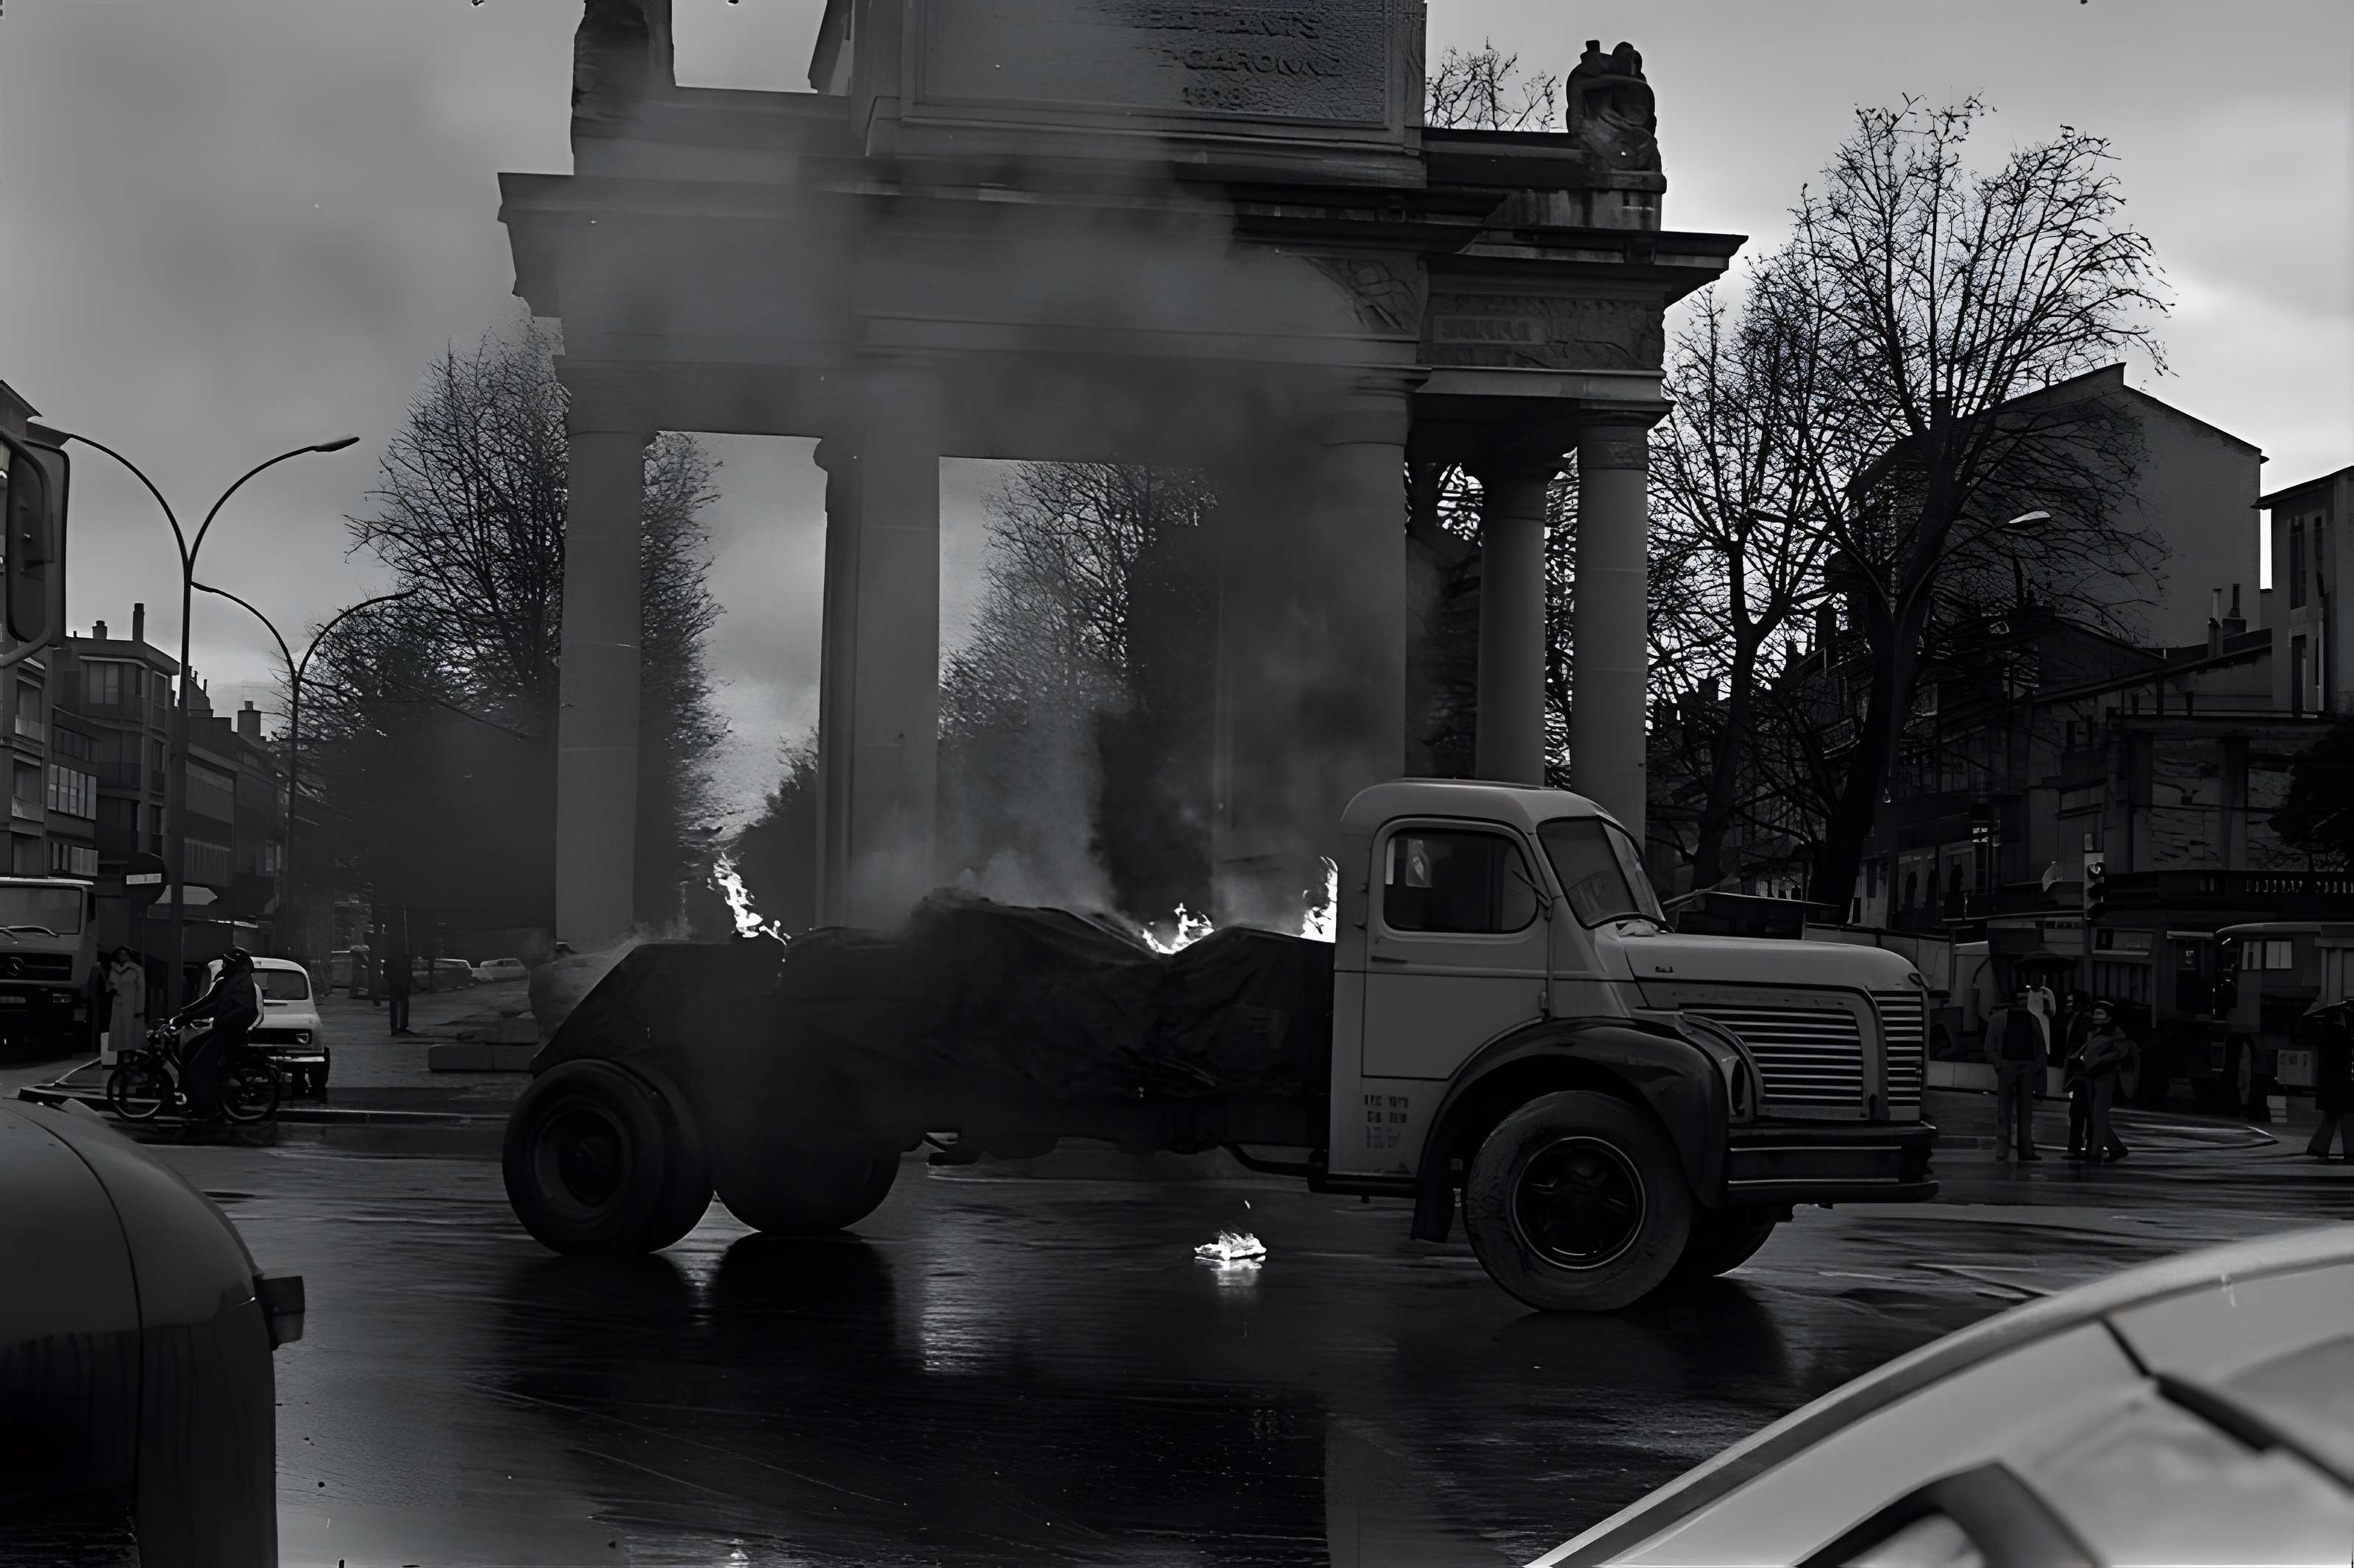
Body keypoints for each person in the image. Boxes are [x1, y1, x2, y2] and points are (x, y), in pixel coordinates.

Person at [174, 949, 263, 1120]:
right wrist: (186, 1013)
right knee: (191, 1048)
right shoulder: (232, 980)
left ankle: (207, 1106)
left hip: (228, 1033)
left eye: (228, 963)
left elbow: (218, 1007)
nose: (224, 965)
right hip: (223, 1029)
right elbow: (211, 1001)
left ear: (236, 965)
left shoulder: (240, 984)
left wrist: (189, 1016)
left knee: (199, 1066)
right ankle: (189, 1099)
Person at [1984, 985, 2048, 1163]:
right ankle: (2023, 1150)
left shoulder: (2000, 1019)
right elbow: (2040, 1051)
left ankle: (2005, 1150)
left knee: (2007, 1110)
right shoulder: (2033, 1020)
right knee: (2021, 1111)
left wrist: (1998, 1063)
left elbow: (1989, 1047)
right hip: (2021, 1066)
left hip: (2012, 1066)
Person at [2076, 1001, 2134, 1164]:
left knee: (2098, 1115)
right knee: (2097, 1116)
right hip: (2095, 1075)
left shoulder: (2114, 1034)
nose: (2096, 1018)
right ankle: (2114, 1148)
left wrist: (2102, 1060)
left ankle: (2097, 1151)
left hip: (2106, 1076)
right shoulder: (2097, 1031)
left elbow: (2121, 1054)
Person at [2306, 1003, 2353, 1161]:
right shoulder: (2341, 1034)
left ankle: (2319, 1147)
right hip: (2341, 1082)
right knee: (2346, 1115)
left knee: (2332, 1116)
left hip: (2331, 1083)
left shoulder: (2327, 1033)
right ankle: (2349, 1148)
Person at [104, 947, 146, 1060]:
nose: (122, 956)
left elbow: (141, 990)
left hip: (131, 1005)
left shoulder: (136, 970)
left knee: (130, 1033)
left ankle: (132, 1058)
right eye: (120, 954)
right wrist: (111, 991)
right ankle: (120, 1059)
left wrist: (139, 1009)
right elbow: (108, 985)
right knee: (118, 1034)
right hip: (117, 1005)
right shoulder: (113, 970)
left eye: (125, 954)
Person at [387, 940, 413, 1036]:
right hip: (402, 985)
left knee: (395, 1007)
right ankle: (403, 1027)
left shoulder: (391, 959)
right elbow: (409, 972)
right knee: (403, 1006)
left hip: (395, 985)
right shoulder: (405, 959)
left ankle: (395, 1028)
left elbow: (386, 974)